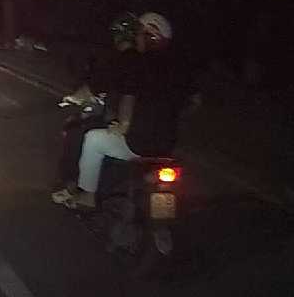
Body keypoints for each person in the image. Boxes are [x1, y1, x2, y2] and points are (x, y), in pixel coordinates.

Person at [52, 12, 191, 210]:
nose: (137, 39)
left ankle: (88, 196)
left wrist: (124, 125)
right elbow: (192, 102)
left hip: (139, 142)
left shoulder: (137, 63)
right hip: (167, 143)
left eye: (139, 34)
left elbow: (128, 95)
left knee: (93, 139)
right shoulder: (178, 68)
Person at [52, 12, 140, 189]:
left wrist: (73, 98)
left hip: (124, 126)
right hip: (148, 130)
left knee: (77, 132)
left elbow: (93, 87)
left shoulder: (120, 61)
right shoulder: (146, 62)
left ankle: (76, 187)